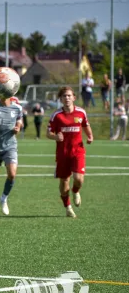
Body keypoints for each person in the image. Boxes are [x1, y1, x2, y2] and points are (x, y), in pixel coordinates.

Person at [47, 87, 93, 218]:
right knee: (64, 181)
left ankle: (76, 191)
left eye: (69, 96)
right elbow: (48, 133)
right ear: (60, 99)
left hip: (78, 151)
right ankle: (67, 207)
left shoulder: (81, 113)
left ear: (74, 97)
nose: (66, 98)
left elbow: (86, 125)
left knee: (78, 179)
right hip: (63, 153)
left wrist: (90, 136)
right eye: (63, 96)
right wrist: (55, 137)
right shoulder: (57, 115)